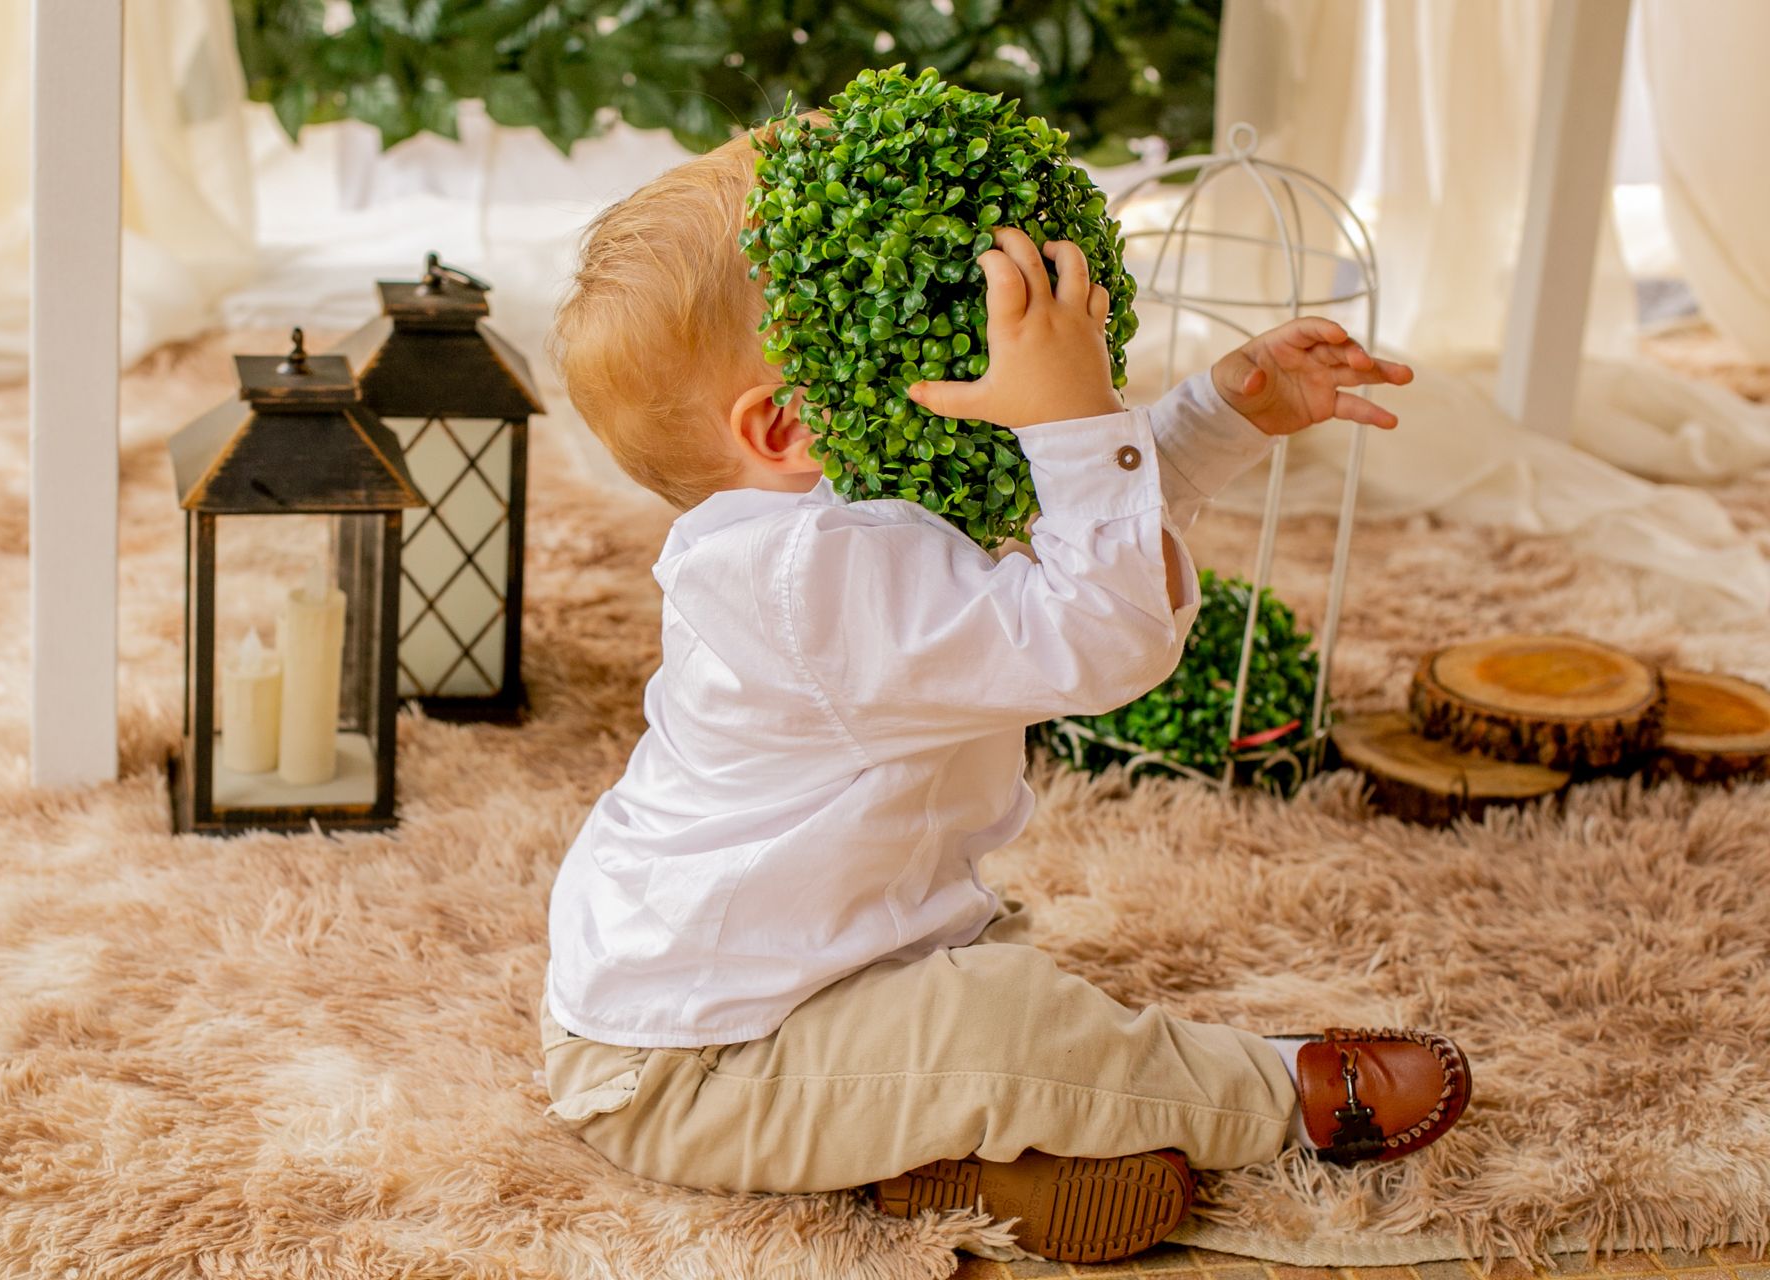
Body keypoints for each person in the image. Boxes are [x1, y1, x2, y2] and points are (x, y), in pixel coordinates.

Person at [538, 124, 1465, 1265]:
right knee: (1007, 1021)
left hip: (808, 969)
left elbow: (1053, 538)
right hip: (694, 1063)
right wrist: (1074, 420)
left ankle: (955, 1152)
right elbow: (1098, 633)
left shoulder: (843, 519)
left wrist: (1215, 417)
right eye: (883, 314)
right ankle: (1272, 1093)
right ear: (785, 423)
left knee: (988, 974)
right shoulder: (805, 578)